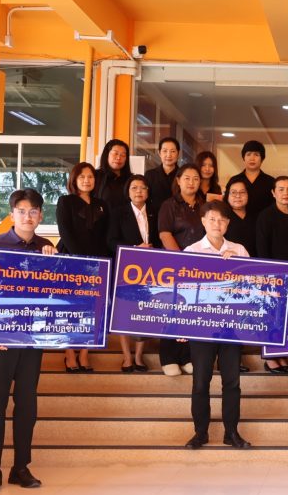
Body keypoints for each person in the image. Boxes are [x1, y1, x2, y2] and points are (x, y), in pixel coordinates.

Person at [0, 189, 57, 494]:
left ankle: (20, 467)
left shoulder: (46, 247)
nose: (28, 216)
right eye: (22, 211)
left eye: (33, 211)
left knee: (27, 404)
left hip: (31, 339)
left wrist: (54, 262)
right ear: (12, 215)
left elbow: (55, 293)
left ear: (40, 216)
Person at [179, 199, 254, 450]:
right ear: (203, 221)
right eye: (212, 219)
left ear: (228, 223)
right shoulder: (191, 251)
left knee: (232, 382)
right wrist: (181, 325)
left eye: (222, 220)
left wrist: (237, 266)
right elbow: (184, 290)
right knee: (201, 382)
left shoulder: (239, 250)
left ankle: (231, 432)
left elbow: (252, 289)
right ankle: (200, 433)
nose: (217, 224)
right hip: (201, 327)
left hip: (231, 327)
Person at [56, 161, 109, 373]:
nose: (87, 180)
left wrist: (99, 262)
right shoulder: (65, 201)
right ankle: (69, 353)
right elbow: (65, 232)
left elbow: (105, 236)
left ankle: (85, 352)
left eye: (90, 177)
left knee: (93, 308)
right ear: (74, 180)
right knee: (70, 307)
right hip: (71, 260)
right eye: (82, 177)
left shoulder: (101, 204)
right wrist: (81, 260)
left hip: (98, 262)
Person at [156, 164, 204, 376]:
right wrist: (181, 260)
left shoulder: (204, 205)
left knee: (193, 311)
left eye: (196, 178)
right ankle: (169, 358)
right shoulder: (169, 205)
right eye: (187, 178)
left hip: (200, 268)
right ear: (178, 180)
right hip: (175, 265)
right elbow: (164, 234)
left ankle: (187, 357)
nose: (191, 182)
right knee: (172, 309)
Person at [107, 174, 158, 372]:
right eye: (134, 188)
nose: (139, 191)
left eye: (143, 188)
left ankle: (138, 356)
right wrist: (135, 248)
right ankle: (127, 356)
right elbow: (111, 241)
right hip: (126, 268)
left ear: (148, 192)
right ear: (127, 191)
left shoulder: (154, 211)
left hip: (150, 270)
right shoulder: (118, 212)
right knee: (125, 311)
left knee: (144, 311)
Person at [254, 176, 288, 374]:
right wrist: (268, 274)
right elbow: (261, 247)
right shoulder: (265, 216)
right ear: (273, 193)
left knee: (285, 317)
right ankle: (270, 358)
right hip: (271, 273)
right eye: (281, 189)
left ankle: (282, 356)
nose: (285, 193)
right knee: (270, 316)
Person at [225, 141, 275, 216]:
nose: (252, 158)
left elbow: (274, 206)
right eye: (248, 154)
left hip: (264, 222)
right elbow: (226, 203)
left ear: (262, 159)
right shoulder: (234, 180)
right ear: (243, 158)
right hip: (238, 221)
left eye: (256, 155)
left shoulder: (270, 181)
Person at [145, 136, 181, 218]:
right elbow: (146, 199)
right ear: (159, 153)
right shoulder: (150, 175)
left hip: (178, 218)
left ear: (178, 153)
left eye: (173, 151)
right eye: (165, 151)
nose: (169, 155)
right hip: (155, 218)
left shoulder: (183, 175)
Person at [93, 138, 131, 211]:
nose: (119, 158)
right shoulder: (95, 176)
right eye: (115, 153)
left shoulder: (131, 179)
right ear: (107, 155)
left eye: (123, 155)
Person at [223, 177, 258, 257]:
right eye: (233, 192)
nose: (238, 196)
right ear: (227, 195)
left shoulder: (258, 218)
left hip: (254, 262)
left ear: (248, 194)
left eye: (242, 192)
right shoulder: (222, 218)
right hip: (230, 261)